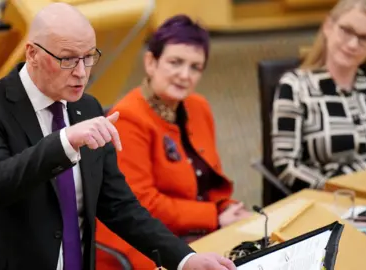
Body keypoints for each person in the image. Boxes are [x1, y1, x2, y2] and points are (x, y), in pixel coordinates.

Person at [0, 3, 237, 270]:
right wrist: (65, 141)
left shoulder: (87, 107)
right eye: (68, 59)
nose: (82, 73)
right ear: (32, 54)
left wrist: (184, 258)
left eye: (89, 57)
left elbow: (119, 205)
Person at [95, 15, 251, 270]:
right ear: (150, 62)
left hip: (200, 232)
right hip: (147, 244)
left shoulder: (199, 107)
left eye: (195, 67)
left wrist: (229, 209)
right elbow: (142, 205)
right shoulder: (128, 119)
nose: (184, 75)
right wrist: (215, 216)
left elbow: (208, 179)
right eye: (175, 62)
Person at [271, 0, 366, 192]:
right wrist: (339, 190)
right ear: (328, 27)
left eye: (365, 38)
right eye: (346, 31)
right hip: (332, 201)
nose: (352, 44)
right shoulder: (295, 86)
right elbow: (286, 166)